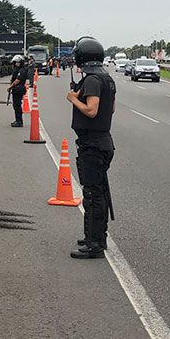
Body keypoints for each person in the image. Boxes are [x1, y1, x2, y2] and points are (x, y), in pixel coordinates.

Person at [67, 37, 116, 259]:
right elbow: (111, 109)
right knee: (100, 192)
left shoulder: (92, 80)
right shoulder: (106, 79)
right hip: (104, 141)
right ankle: (98, 236)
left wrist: (72, 99)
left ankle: (93, 243)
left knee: (92, 194)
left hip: (93, 145)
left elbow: (91, 110)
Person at [8, 55, 29, 127]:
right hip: (16, 89)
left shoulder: (22, 70)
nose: (15, 64)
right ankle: (17, 120)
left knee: (17, 105)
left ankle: (19, 121)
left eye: (17, 62)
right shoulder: (17, 70)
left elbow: (17, 80)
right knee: (15, 105)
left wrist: (10, 87)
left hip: (19, 89)